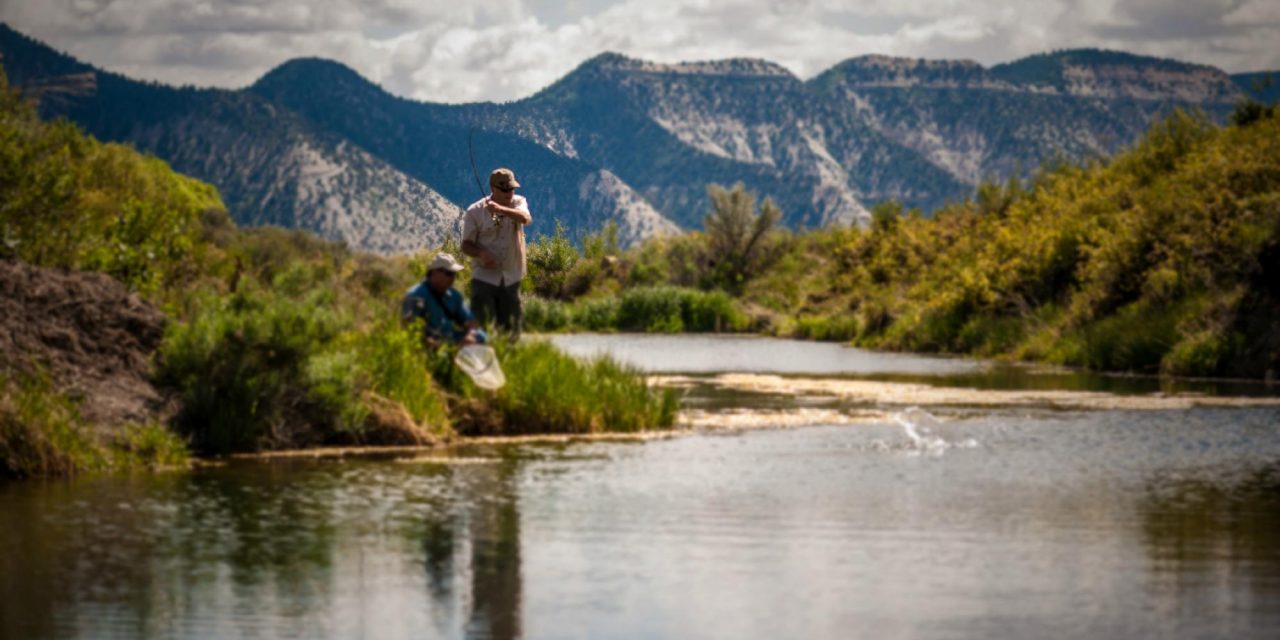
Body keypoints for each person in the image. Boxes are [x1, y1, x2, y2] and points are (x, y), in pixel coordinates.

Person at [462, 167, 532, 336]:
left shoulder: (519, 202)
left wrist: (501, 210)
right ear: (493, 189)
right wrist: (482, 254)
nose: (510, 193)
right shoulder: (474, 212)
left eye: (512, 188)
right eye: (505, 189)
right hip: (484, 276)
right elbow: (465, 246)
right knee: (480, 327)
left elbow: (526, 218)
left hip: (511, 275)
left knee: (511, 331)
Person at [401, 253, 485, 347]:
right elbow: (409, 329)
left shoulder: (454, 295)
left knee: (480, 336)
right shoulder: (416, 295)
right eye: (449, 273)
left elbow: (469, 320)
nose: (453, 278)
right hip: (429, 342)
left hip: (450, 338)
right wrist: (434, 344)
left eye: (454, 274)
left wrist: (470, 335)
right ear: (434, 272)